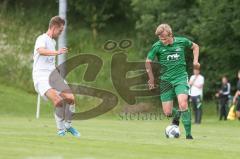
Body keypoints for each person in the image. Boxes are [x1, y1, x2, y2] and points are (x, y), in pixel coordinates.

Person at [145, 24, 200, 139]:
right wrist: (151, 78)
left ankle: (189, 135)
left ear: (170, 35)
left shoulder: (182, 41)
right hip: (165, 80)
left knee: (183, 103)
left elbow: (195, 47)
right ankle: (177, 116)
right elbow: (148, 61)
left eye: (164, 38)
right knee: (167, 112)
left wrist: (195, 61)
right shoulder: (157, 46)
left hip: (180, 78)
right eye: (160, 39)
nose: (162, 41)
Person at [32, 16, 80, 137]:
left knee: (70, 98)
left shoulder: (53, 42)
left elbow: (49, 62)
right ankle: (61, 130)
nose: (61, 33)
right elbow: (41, 51)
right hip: (41, 76)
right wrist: (57, 52)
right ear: (54, 27)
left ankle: (68, 126)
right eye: (60, 30)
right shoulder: (41, 38)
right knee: (58, 101)